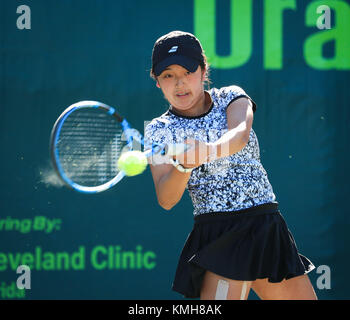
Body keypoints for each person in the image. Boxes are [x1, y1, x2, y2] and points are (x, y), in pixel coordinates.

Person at [144, 30, 317, 300]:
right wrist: (184, 166)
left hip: (267, 226)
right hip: (220, 236)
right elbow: (166, 199)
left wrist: (205, 152)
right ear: (157, 82)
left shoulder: (231, 97)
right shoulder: (157, 131)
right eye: (168, 75)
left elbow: (239, 135)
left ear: (203, 71)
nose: (179, 83)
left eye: (187, 71)